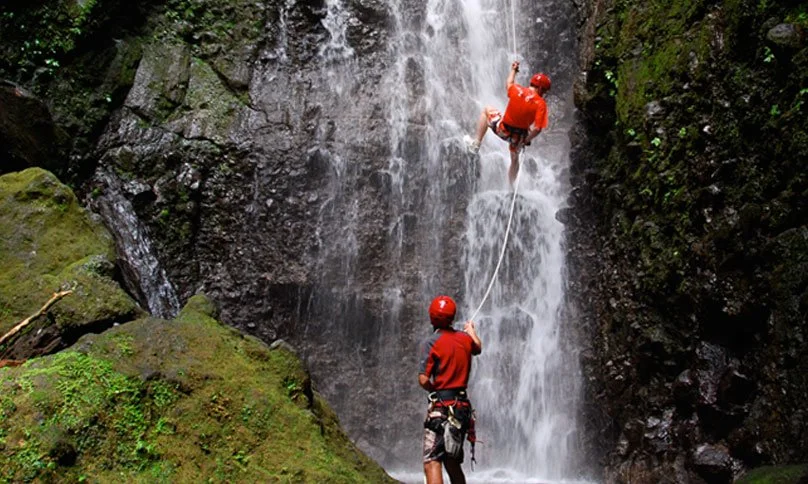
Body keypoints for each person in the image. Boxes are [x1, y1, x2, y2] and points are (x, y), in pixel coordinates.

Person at [418, 295, 483, 484]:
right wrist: (471, 331)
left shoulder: (431, 342)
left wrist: (434, 390)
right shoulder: (464, 340)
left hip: (442, 409)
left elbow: (423, 379)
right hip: (462, 409)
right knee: (452, 461)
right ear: (453, 317)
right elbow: (478, 347)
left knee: (432, 461)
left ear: (431, 318)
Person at [466, 61, 551, 186]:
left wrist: (513, 70)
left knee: (486, 110)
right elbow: (537, 128)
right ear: (540, 89)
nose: (544, 95)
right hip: (517, 139)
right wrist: (525, 140)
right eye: (544, 91)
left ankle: (476, 144)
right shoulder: (541, 104)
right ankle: (510, 186)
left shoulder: (517, 89)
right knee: (514, 161)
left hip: (503, 130)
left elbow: (509, 83)